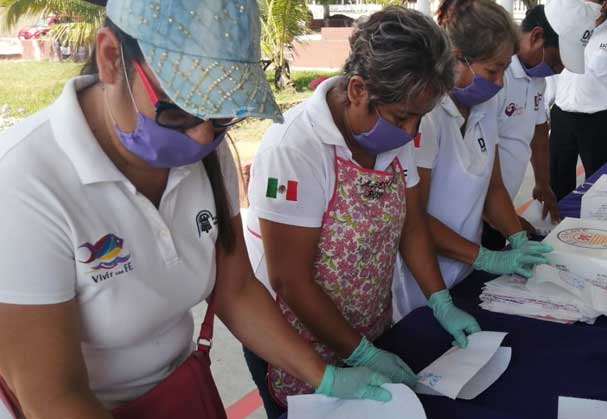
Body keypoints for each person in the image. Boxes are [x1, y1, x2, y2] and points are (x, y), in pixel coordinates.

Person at [0, 1, 400, 417]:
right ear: (111, 58)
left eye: (224, 114)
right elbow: (51, 396)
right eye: (178, 111)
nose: (202, 136)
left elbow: (236, 289)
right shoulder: (23, 183)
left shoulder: (206, 153)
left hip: (179, 390)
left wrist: (325, 376)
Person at [243, 7, 481, 416]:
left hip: (370, 326)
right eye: (403, 117)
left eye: (420, 118)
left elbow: (411, 227)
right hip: (300, 346)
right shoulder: (294, 147)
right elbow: (290, 279)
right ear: (357, 90)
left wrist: (440, 300)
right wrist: (361, 354)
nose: (411, 132)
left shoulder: (393, 134)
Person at [392, 0, 565, 319]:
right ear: (457, 59)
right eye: (492, 70)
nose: (500, 83)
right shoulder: (425, 117)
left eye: (505, 69)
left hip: (464, 269)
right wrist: (487, 258)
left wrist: (516, 237)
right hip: (421, 282)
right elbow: (413, 219)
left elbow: (493, 186)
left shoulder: (485, 106)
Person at [484, 2, 599, 250]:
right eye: (557, 61)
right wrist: (510, 221)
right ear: (536, 37)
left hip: (501, 202)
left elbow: (538, 131)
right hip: (481, 205)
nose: (558, 70)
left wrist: (543, 182)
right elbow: (482, 155)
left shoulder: (537, 79)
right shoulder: (495, 78)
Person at [546, 0, 607, 200]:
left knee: (598, 180)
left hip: (598, 120)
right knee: (557, 177)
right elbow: (555, 73)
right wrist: (545, 106)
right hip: (562, 116)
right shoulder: (568, 29)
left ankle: (595, 216)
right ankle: (558, 216)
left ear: (605, 4)